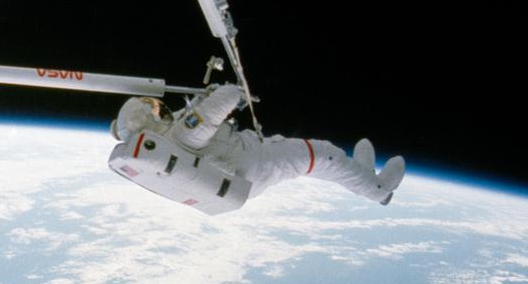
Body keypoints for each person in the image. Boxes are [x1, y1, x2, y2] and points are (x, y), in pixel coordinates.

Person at [111, 84, 405, 207]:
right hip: (259, 164)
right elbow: (220, 105)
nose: (157, 108)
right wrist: (231, 90)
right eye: (151, 110)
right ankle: (379, 191)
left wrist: (202, 98)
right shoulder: (185, 135)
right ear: (149, 124)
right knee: (324, 155)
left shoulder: (169, 138)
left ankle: (362, 172)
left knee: (323, 165)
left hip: (249, 169)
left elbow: (187, 117)